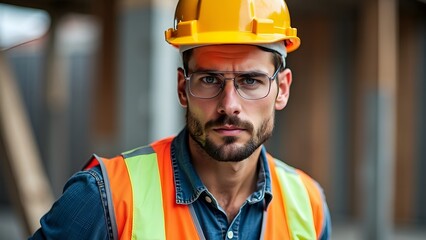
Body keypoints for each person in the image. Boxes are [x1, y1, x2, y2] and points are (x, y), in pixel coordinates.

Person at [29, 0, 331, 239]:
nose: (229, 105)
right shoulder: (105, 197)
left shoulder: (308, 205)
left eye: (251, 81)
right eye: (210, 80)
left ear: (283, 89)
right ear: (182, 88)